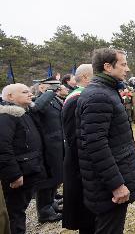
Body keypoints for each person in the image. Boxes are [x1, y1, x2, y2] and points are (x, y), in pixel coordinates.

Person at [76, 48, 135, 234]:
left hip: (109, 178)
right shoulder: (98, 95)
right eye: (123, 64)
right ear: (108, 66)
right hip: (106, 186)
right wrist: (116, 185)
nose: (127, 69)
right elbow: (96, 145)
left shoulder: (106, 91)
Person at [0, 84, 48, 234]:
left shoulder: (23, 113)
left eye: (29, 91)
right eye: (24, 92)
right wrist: (14, 175)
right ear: (10, 97)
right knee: (15, 213)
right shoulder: (6, 117)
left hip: (29, 171)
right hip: (19, 175)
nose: (30, 94)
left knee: (20, 209)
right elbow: (2, 148)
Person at [61, 64, 95, 233]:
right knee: (86, 218)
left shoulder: (81, 97)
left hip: (83, 165)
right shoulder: (77, 99)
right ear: (87, 77)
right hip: (79, 166)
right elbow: (76, 139)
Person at [31, 77, 67, 223]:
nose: (57, 89)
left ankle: (51, 203)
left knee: (56, 175)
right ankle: (44, 212)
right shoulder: (40, 100)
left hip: (56, 144)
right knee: (46, 180)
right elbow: (36, 108)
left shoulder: (53, 100)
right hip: (47, 146)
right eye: (54, 87)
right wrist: (49, 92)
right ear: (43, 88)